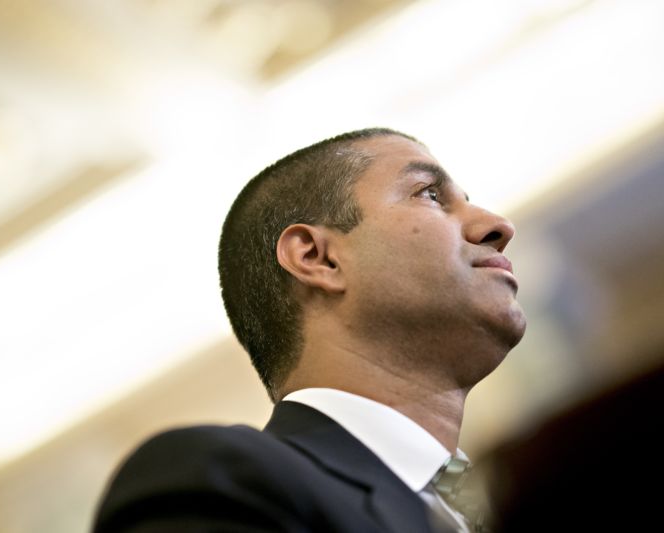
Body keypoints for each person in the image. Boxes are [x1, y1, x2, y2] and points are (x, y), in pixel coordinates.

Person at [92, 128, 527, 532]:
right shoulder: (213, 482)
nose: (497, 226)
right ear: (317, 258)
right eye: (430, 194)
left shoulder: (504, 493)